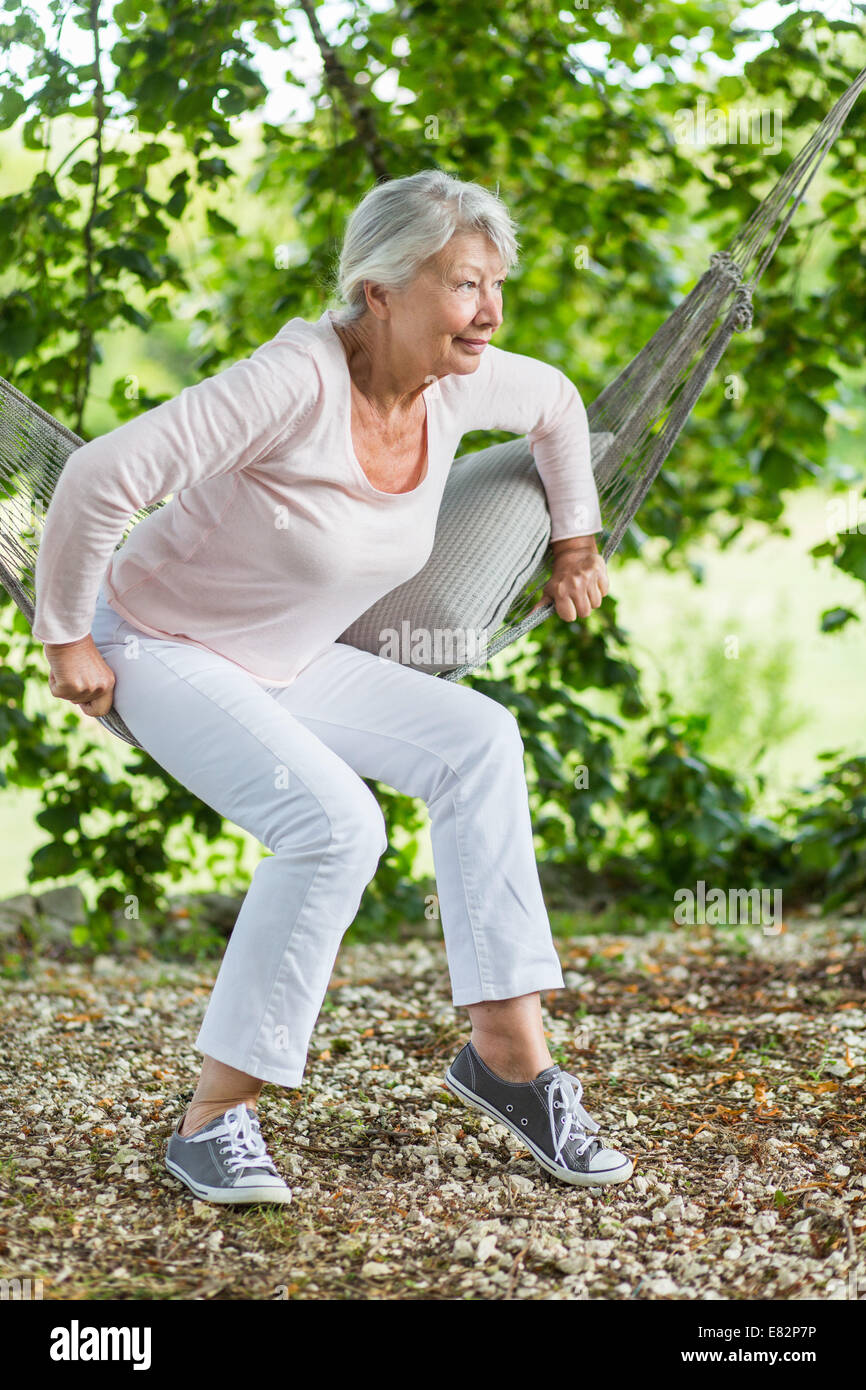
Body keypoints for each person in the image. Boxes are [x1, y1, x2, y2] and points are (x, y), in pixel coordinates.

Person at [33, 169, 633, 1201]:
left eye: (493, 285)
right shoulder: (291, 383)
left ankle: (507, 1059)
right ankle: (212, 1119)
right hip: (157, 640)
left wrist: (574, 541)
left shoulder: (457, 381)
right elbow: (97, 479)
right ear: (379, 292)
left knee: (478, 741)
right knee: (336, 826)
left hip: (289, 656)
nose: (485, 311)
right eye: (460, 285)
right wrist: (63, 638)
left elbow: (558, 406)